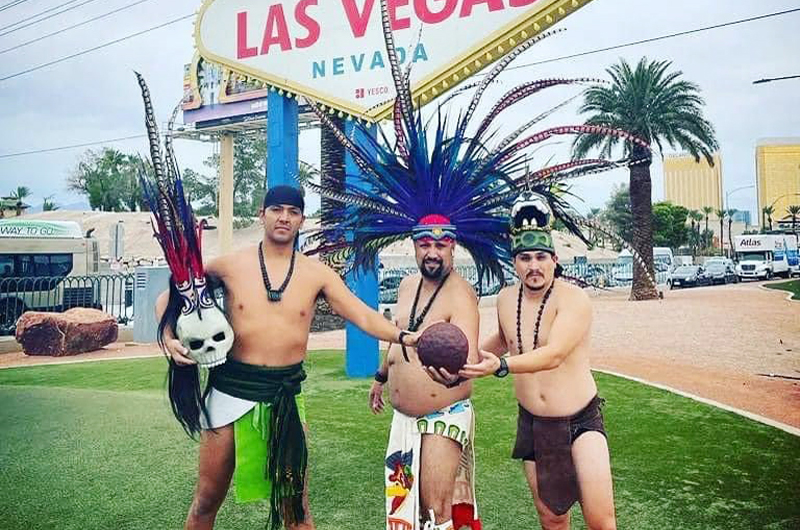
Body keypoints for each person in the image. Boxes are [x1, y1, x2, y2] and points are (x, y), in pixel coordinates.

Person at [156, 185, 419, 530]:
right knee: (206, 499)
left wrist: (404, 337)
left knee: (295, 506)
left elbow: (364, 316)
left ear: (302, 220)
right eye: (276, 209)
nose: (284, 217)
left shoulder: (317, 274)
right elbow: (170, 297)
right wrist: (168, 339)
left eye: (293, 212)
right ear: (261, 215)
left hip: (286, 398)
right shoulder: (230, 265)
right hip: (229, 391)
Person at [458, 192, 616, 530]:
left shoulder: (573, 299)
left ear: (555, 260)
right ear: (514, 262)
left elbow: (555, 353)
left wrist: (500, 367)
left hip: (580, 421)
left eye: (541, 257)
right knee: (552, 519)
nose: (534, 265)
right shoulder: (504, 299)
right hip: (533, 423)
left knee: (600, 520)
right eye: (525, 257)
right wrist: (462, 362)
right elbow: (503, 340)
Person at [369, 216, 482, 530]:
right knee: (410, 506)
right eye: (425, 244)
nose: (433, 252)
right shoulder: (407, 286)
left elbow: (469, 356)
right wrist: (381, 376)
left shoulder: (460, 294)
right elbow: (399, 334)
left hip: (443, 414)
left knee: (435, 509)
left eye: (440, 245)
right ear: (414, 247)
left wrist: (456, 376)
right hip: (403, 418)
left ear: (453, 247)